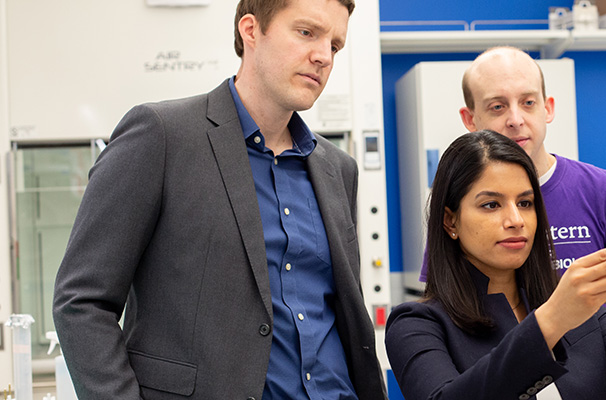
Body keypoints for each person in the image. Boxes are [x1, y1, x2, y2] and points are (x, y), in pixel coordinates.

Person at [51, 0, 386, 399]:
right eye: (306, 33)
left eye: (335, 45)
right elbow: (82, 301)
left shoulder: (338, 169)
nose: (323, 56)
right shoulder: (162, 136)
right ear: (250, 31)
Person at [388, 130, 606, 400]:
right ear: (450, 221)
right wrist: (550, 321)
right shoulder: (417, 326)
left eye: (525, 203)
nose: (516, 220)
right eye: (491, 204)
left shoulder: (581, 308)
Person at [423, 46, 606, 350]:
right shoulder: (461, 206)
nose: (515, 119)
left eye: (528, 102)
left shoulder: (602, 190)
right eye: (497, 107)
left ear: (547, 108)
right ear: (470, 119)